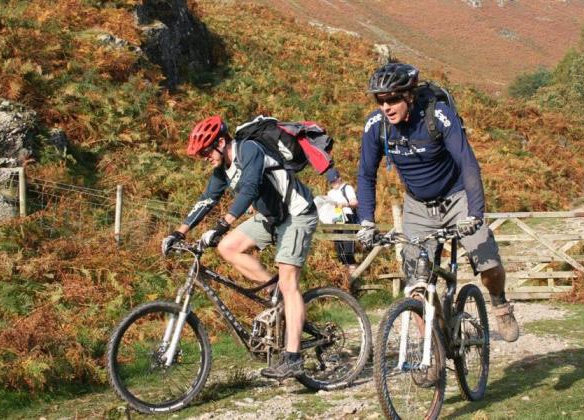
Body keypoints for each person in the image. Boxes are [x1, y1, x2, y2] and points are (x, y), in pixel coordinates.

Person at [355, 62, 519, 342]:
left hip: (458, 198)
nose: (387, 107)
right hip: (418, 205)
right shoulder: (376, 127)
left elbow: (467, 164)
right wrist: (367, 221)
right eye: (381, 101)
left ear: (409, 96)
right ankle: (433, 349)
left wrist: (475, 213)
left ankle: (500, 304)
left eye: (393, 99)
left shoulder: (438, 116)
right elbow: (366, 174)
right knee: (418, 283)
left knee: (487, 261)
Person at [161, 115, 319, 378]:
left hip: (296, 212)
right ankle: (275, 294)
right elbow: (206, 199)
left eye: (206, 152)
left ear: (221, 142)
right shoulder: (222, 169)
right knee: (227, 247)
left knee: (290, 282)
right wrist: (179, 232)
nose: (204, 158)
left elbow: (249, 189)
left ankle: (293, 357)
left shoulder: (249, 150)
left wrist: (222, 224)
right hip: (271, 216)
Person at [325, 168, 359, 277]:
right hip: (337, 218)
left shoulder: (347, 188)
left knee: (348, 247)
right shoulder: (330, 193)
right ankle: (345, 276)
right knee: (339, 249)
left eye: (334, 181)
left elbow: (355, 202)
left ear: (339, 178)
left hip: (347, 217)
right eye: (331, 182)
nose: (333, 184)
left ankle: (354, 275)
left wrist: (345, 204)